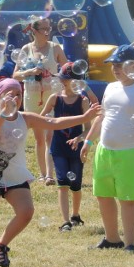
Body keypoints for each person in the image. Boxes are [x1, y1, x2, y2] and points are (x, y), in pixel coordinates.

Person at [0, 78, 100, 267]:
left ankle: (1, 245)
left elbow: (53, 121)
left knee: (26, 212)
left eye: (18, 95)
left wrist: (83, 118)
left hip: (15, 176)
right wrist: (5, 113)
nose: (15, 98)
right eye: (9, 94)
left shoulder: (26, 118)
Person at [81, 45, 134, 253]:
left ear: (133, 66)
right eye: (113, 65)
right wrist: (88, 142)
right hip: (105, 151)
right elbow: (102, 117)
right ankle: (111, 238)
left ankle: (130, 243)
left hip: (130, 152)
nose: (115, 69)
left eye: (119, 65)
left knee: (128, 198)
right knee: (103, 195)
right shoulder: (110, 87)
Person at [13, 18, 68, 185]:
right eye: (43, 28)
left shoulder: (55, 48)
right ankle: (43, 173)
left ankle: (50, 175)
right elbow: (15, 75)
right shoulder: (26, 49)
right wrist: (30, 71)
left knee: (49, 136)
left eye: (48, 28)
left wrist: (54, 76)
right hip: (32, 97)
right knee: (39, 138)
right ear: (34, 31)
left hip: (51, 96)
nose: (47, 31)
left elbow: (67, 71)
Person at [41, 62, 92, 231]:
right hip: (59, 147)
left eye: (67, 80)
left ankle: (75, 215)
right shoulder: (55, 98)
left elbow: (88, 130)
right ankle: (65, 221)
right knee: (62, 184)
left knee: (76, 185)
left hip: (76, 149)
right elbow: (41, 118)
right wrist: (48, 121)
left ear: (77, 82)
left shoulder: (83, 101)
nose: (63, 83)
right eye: (62, 79)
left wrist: (79, 138)